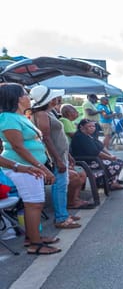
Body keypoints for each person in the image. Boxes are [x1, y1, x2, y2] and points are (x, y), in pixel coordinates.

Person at [0, 83, 60, 255]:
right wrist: (42, 167)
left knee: (34, 203)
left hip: (31, 167)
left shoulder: (19, 117)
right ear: (18, 98)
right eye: (25, 94)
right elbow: (18, 147)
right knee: (33, 203)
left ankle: (33, 237)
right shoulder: (8, 118)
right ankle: (35, 244)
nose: (29, 97)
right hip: (22, 168)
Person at [29, 86, 81, 230]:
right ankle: (61, 218)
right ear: (49, 99)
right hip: (55, 156)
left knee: (62, 185)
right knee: (60, 186)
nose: (57, 99)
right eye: (54, 97)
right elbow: (46, 138)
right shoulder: (41, 114)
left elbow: (57, 136)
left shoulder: (48, 112)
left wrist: (67, 155)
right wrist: (58, 159)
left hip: (61, 154)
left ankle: (63, 214)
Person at [70, 119, 123, 190]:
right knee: (115, 164)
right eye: (89, 126)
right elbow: (96, 152)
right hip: (86, 162)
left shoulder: (89, 135)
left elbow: (101, 146)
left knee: (119, 161)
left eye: (93, 126)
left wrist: (110, 155)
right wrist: (110, 158)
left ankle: (113, 181)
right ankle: (110, 183)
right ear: (82, 127)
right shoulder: (80, 136)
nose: (92, 128)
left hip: (93, 160)